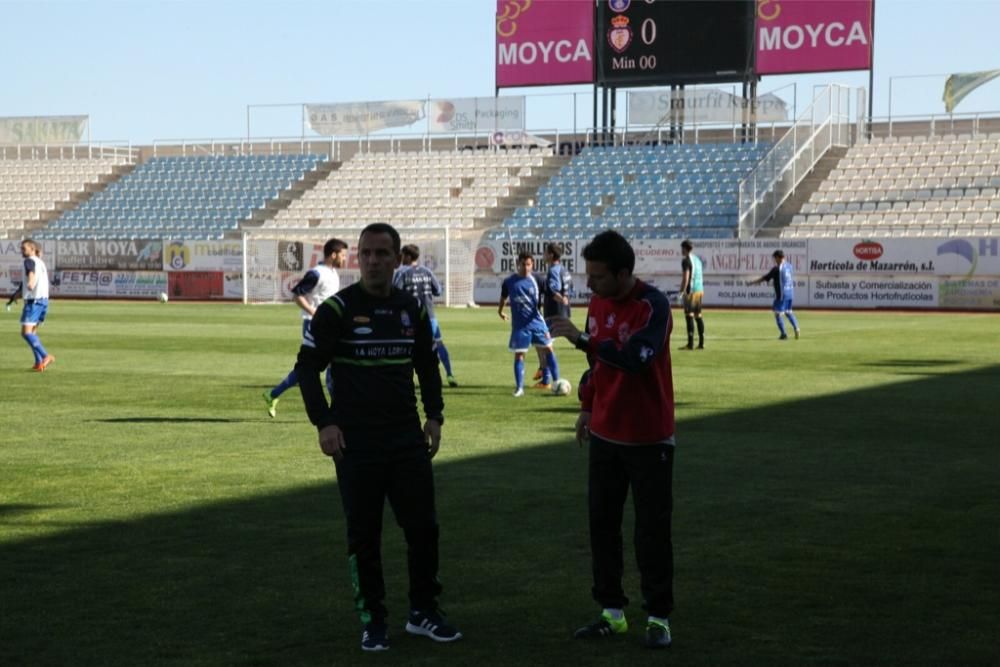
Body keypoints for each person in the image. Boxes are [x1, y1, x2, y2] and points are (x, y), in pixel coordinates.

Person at [295, 223, 461, 653]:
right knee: (364, 537)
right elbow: (307, 367)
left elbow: (426, 364)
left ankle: (423, 612)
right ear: (357, 259)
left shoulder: (412, 310)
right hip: (357, 444)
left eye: (381, 253)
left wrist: (435, 416)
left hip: (407, 439)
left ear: (394, 258)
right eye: (365, 253)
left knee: (424, 530)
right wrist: (324, 422)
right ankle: (373, 621)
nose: (372, 261)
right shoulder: (337, 310)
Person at [547, 230, 676, 650]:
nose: (591, 285)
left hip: (648, 438)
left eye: (598, 277)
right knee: (602, 525)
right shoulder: (599, 303)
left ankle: (658, 617)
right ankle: (612, 613)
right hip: (606, 434)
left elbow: (635, 360)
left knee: (651, 531)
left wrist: (582, 337)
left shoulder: (652, 306)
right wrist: (587, 404)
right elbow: (597, 364)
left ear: (623, 274)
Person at [262, 238, 347, 417]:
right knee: (327, 365)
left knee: (315, 367)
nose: (345, 258)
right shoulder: (317, 273)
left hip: (329, 325)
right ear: (333, 254)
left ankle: (273, 394)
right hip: (314, 325)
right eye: (343, 254)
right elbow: (297, 295)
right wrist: (315, 312)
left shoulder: (332, 273)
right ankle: (338, 410)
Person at [393, 244, 458, 387]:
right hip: (430, 317)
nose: (401, 259)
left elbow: (394, 293)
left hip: (410, 319)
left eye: (403, 256)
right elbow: (438, 291)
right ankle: (450, 375)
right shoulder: (427, 272)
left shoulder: (402, 273)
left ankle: (404, 380)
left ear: (408, 256)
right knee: (439, 345)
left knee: (406, 348)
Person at [498, 251, 560, 396]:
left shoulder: (537, 280)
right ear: (518, 264)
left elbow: (550, 292)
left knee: (549, 349)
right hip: (520, 326)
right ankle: (519, 388)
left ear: (532, 265)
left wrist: (561, 298)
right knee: (519, 355)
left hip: (537, 323)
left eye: (528, 264)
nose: (526, 267)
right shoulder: (509, 282)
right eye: (523, 264)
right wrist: (500, 311)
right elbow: (503, 297)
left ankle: (557, 383)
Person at [533, 242, 573, 381]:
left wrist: (561, 299)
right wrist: (566, 299)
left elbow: (553, 290)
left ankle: (546, 377)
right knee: (544, 343)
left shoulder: (553, 270)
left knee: (544, 344)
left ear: (551, 254)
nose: (543, 255)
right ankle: (543, 372)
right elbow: (569, 288)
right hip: (563, 311)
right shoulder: (564, 269)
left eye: (545, 252)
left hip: (554, 312)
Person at [747, 249, 801, 340]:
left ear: (778, 258)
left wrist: (752, 283)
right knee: (788, 312)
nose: (774, 260)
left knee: (777, 313)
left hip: (781, 294)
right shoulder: (789, 266)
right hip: (790, 293)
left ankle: (783, 334)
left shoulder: (777, 269)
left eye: (775, 258)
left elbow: (765, 278)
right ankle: (796, 327)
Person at [19, 240, 55, 372]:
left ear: (32, 249)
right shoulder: (40, 262)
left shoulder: (29, 261)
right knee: (33, 332)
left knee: (26, 332)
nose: (22, 251)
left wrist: (30, 283)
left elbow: (31, 276)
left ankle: (46, 356)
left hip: (34, 302)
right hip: (43, 301)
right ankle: (38, 362)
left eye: (24, 249)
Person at [679, 239, 705, 350]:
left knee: (689, 316)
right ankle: (701, 343)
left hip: (691, 291)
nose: (681, 250)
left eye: (682, 248)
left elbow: (686, 278)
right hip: (699, 289)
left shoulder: (686, 260)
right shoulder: (697, 259)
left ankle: (690, 344)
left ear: (685, 249)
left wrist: (681, 292)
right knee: (698, 316)